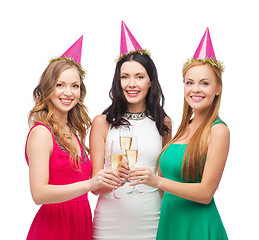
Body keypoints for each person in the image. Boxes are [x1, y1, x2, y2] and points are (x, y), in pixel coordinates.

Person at [129, 28, 229, 239]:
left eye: (205, 83)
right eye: (189, 82)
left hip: (198, 226)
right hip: (170, 223)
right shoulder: (184, 127)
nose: (195, 89)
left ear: (218, 88)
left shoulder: (218, 130)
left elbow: (205, 194)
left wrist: (156, 181)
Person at [25, 36, 120, 240]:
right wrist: (89, 185)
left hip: (81, 223)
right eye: (60, 85)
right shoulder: (41, 133)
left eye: (74, 86)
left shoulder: (74, 131)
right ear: (48, 89)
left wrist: (114, 178)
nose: (68, 92)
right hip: (53, 228)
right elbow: (39, 194)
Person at [90, 21, 171, 240]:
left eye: (139, 76)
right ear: (118, 81)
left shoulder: (164, 123)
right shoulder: (101, 122)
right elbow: (95, 187)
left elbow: (163, 181)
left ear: (151, 82)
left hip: (153, 221)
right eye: (125, 77)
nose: (131, 84)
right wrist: (114, 178)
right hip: (109, 224)